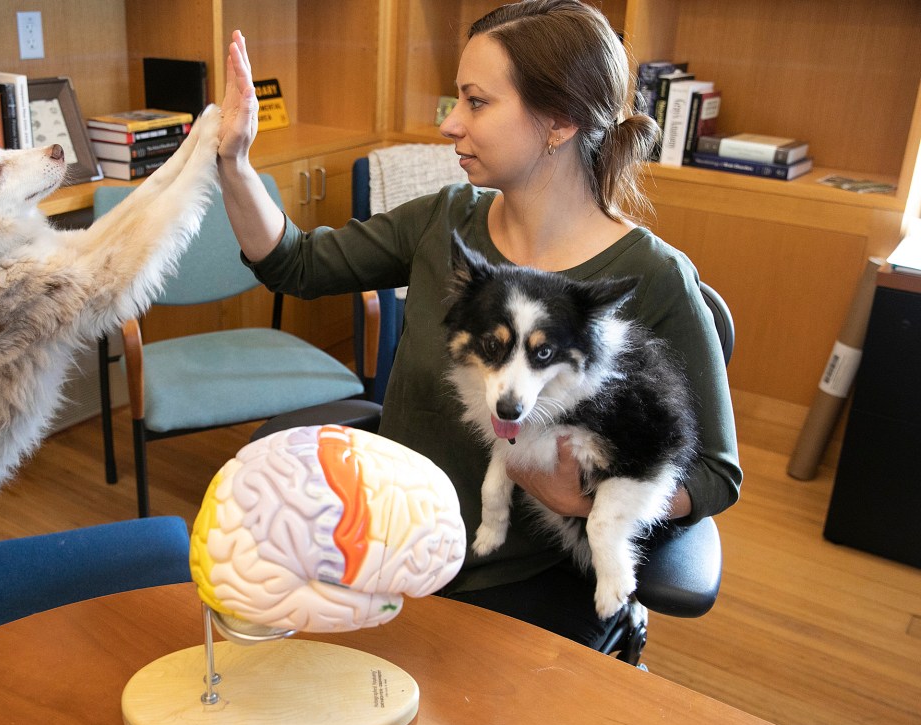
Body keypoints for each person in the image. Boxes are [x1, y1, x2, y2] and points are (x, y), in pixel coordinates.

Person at [216, 0, 741, 648]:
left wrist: (584, 503)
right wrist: (236, 165)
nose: (449, 124)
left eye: (475, 102)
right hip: (385, 553)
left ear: (558, 122)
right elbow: (293, 264)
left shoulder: (652, 278)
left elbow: (716, 474)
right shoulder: (446, 223)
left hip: (518, 587)